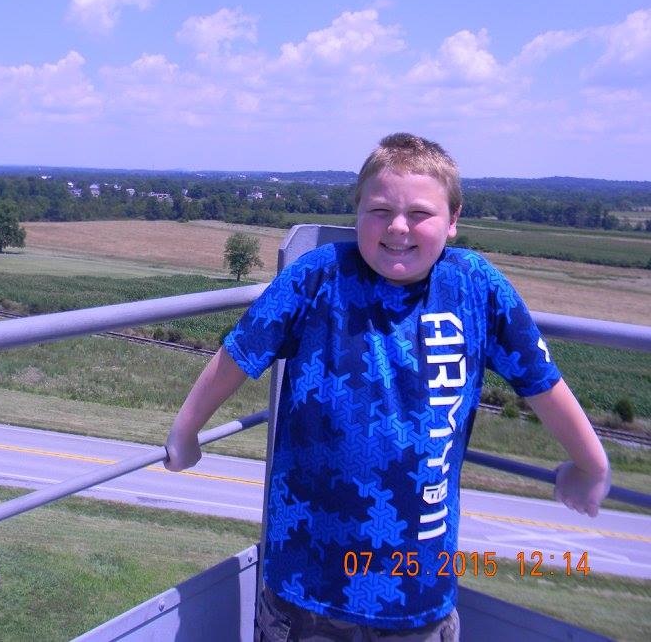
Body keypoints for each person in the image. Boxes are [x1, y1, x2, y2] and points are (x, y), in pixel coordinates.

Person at [164, 133, 611, 641]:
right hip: (307, 586)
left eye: (420, 213)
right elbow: (238, 355)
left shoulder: (474, 288)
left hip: (418, 592)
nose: (398, 227)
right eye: (379, 210)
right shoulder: (318, 277)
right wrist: (186, 431)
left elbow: (540, 382)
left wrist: (591, 464)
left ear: (454, 219)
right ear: (357, 212)